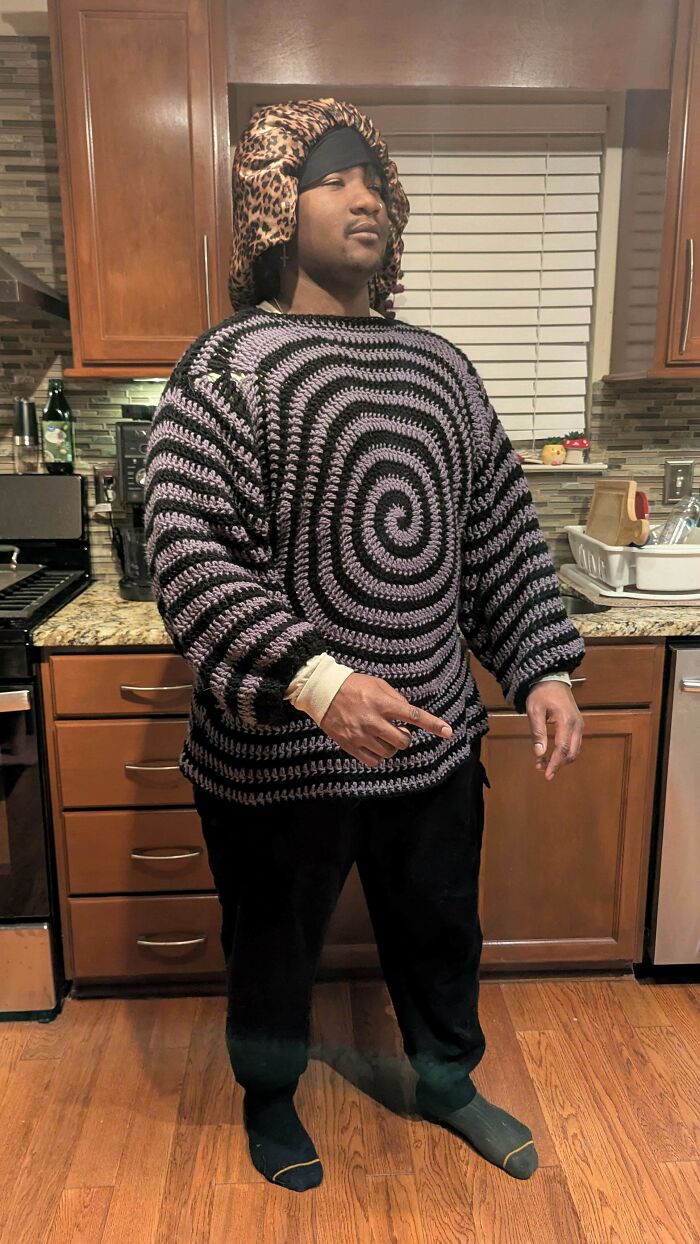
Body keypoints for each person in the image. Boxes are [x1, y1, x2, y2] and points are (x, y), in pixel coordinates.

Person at [143, 97, 585, 1194]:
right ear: (270, 209)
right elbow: (187, 549)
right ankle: (271, 1094)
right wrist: (317, 678)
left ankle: (444, 1077)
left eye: (375, 182)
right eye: (333, 178)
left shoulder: (440, 370)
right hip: (278, 751)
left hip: (431, 735)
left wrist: (541, 664)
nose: (364, 197)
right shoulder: (230, 366)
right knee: (273, 946)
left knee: (440, 926)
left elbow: (494, 532)